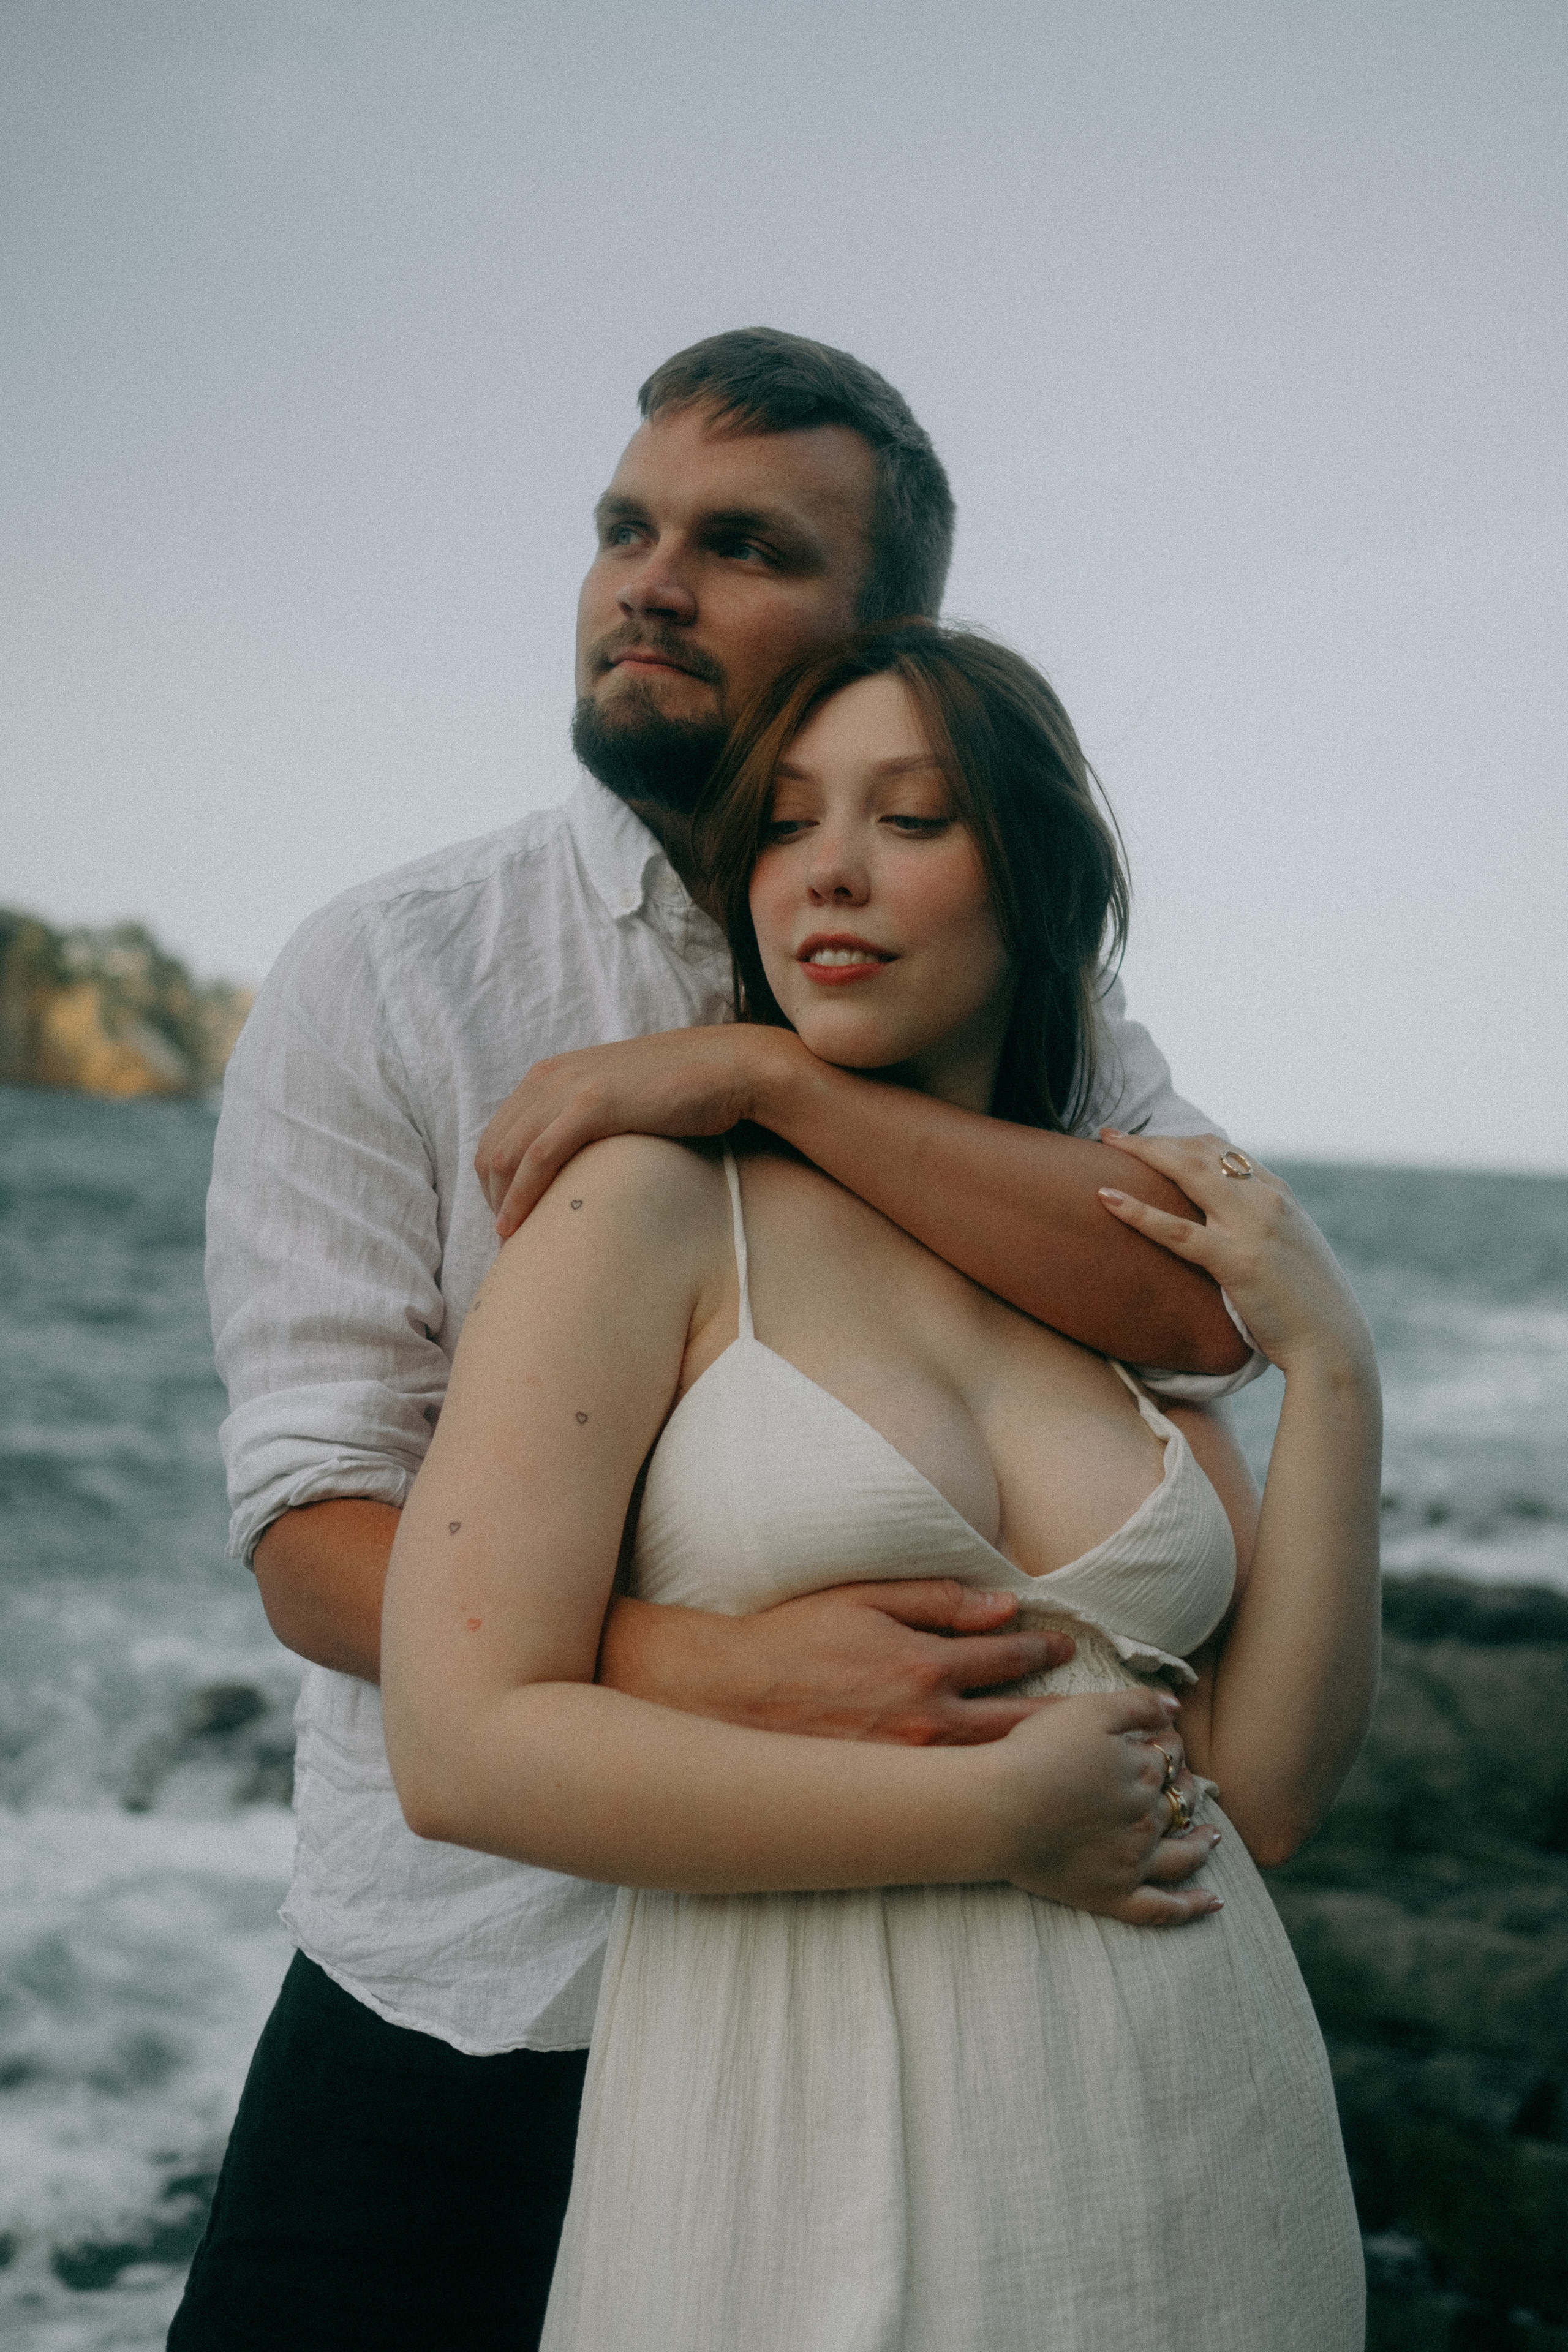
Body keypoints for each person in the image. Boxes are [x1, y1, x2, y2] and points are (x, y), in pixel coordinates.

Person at [178, 330, 1263, 2351]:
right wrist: (727, 1678)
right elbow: (316, 1525)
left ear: (896, 634)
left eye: (741, 543)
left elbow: (1209, 1295)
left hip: (895, 2000)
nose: (646, 584)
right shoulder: (398, 968)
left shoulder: (1029, 996)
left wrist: (775, 1076)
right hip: (482, 2000)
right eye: (624, 528)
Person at [380, 622, 1376, 2351]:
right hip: (802, 2135)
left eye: (912, 820)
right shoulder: (648, 1211)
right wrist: (983, 1818)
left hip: (1202, 2152)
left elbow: (1263, 1794)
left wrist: (1341, 1375)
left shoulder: (1107, 1267)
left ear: (1038, 878)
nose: (828, 870)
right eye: (782, 823)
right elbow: (460, 1746)